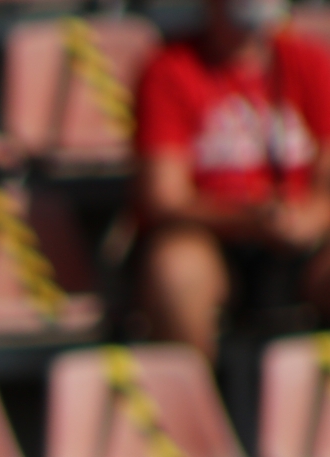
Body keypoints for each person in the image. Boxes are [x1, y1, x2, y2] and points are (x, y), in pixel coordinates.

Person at [134, 0, 330, 360]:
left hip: (300, 240)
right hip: (213, 236)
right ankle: (196, 391)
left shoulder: (310, 61)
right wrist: (249, 218)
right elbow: (165, 197)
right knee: (176, 271)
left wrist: (310, 217)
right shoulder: (170, 68)